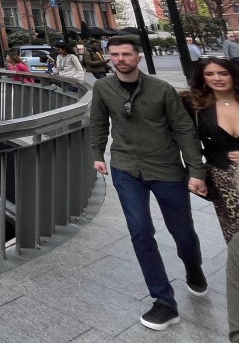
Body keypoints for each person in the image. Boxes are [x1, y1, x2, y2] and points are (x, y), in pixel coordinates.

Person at [91, 36, 207, 331]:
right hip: (126, 168)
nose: (120, 59)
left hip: (166, 168)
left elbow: (184, 130)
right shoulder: (103, 88)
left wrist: (196, 170)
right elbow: (99, 122)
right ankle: (164, 301)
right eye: (115, 55)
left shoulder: (162, 89)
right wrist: (97, 153)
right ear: (109, 58)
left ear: (138, 57)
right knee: (140, 232)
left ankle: (193, 266)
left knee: (182, 232)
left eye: (126, 54)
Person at [180, 57, 239, 243]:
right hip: (224, 179)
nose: (217, 78)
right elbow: (185, 139)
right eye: (209, 74)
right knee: (235, 235)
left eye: (223, 73)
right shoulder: (194, 105)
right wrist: (194, 173)